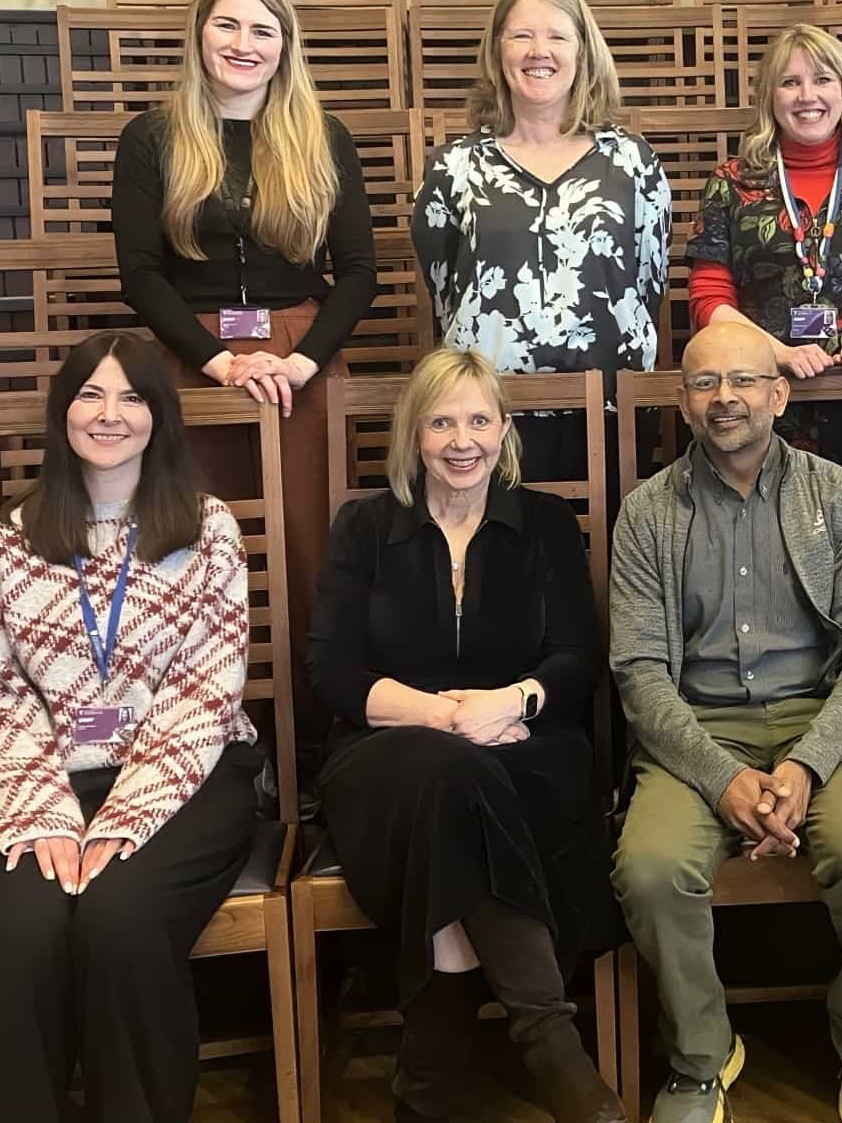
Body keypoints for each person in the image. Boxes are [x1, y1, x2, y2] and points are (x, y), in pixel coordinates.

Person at [0, 332, 263, 1122]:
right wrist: (44, 814)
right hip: (38, 783)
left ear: (159, 416)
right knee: (18, 935)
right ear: (63, 412)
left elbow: (206, 692)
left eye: (131, 396)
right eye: (90, 394)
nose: (109, 414)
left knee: (121, 920)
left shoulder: (209, 529)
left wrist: (126, 815)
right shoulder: (7, 539)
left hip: (185, 781)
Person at [306, 348, 625, 1123]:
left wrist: (513, 700)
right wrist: (448, 716)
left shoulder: (545, 523)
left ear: (504, 431)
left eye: (479, 420)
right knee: (448, 775)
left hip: (526, 747)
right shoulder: (364, 528)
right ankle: (552, 1050)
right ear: (413, 434)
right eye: (441, 422)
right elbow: (333, 670)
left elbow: (577, 659)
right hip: (387, 754)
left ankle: (426, 1084)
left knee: (453, 810)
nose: (461, 441)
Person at [609, 322, 842, 1123]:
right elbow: (638, 670)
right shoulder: (646, 513)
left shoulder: (835, 494)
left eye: (743, 381)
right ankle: (701, 1055)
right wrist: (722, 778)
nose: (724, 399)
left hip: (826, 721)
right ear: (682, 402)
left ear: (778, 395)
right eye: (705, 383)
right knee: (649, 869)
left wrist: (806, 765)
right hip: (696, 728)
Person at [111, 0, 378, 745]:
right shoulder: (152, 138)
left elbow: (358, 272)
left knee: (307, 542)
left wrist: (302, 362)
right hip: (192, 358)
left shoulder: (322, 137)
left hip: (301, 360)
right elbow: (141, 275)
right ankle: (213, 736)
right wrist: (218, 362)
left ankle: (322, 733)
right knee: (195, 546)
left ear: (284, 46)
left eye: (263, 30)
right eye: (227, 24)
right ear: (199, 35)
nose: (243, 43)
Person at [412, 0, 670, 482]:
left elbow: (647, 284)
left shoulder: (633, 163)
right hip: (486, 416)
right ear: (497, 51)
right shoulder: (454, 167)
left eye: (556, 36)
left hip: (609, 406)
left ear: (582, 51)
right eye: (521, 35)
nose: (539, 51)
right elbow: (445, 292)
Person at [686, 23, 842, 464]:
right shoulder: (731, 182)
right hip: (760, 398)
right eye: (790, 82)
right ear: (770, 96)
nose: (807, 96)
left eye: (822, 79)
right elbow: (708, 298)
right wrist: (776, 353)